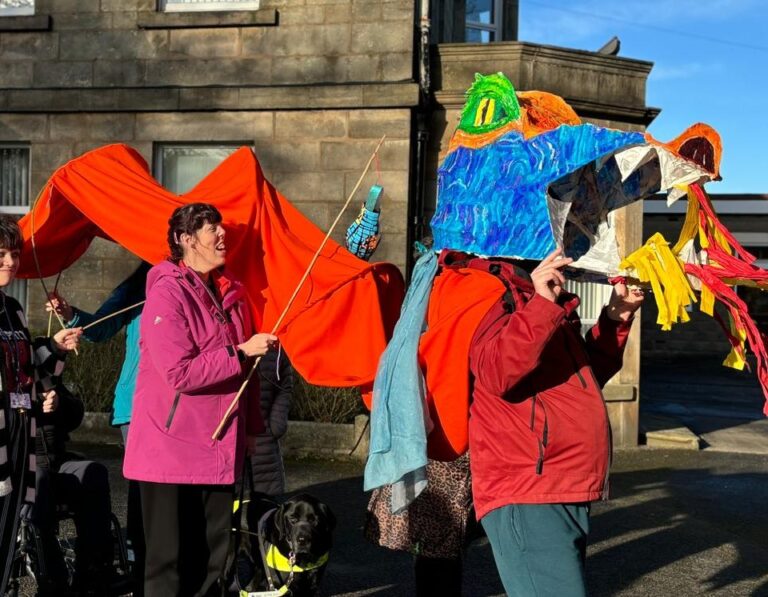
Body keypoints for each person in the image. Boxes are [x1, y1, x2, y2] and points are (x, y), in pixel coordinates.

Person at [468, 249, 644, 596]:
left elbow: (581, 376)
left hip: (563, 480)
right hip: (529, 485)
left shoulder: (535, 293)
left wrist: (616, 315)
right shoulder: (487, 288)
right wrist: (542, 306)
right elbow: (496, 373)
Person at [122, 203, 277, 597]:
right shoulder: (167, 291)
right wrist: (240, 352)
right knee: (166, 565)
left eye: (221, 228)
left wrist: (253, 429)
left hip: (219, 446)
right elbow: (179, 371)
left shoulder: (233, 293)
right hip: (168, 453)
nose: (222, 236)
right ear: (185, 240)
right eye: (212, 230)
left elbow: (249, 375)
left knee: (213, 562)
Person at [46, 260, 150, 594]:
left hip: (185, 406)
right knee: (144, 489)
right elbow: (102, 327)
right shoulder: (140, 284)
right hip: (138, 405)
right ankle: (138, 561)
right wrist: (71, 313)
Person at [0, 215, 82, 595]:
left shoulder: (13, 308)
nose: (10, 263)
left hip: (20, 431)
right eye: (1, 255)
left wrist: (56, 347)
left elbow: (28, 365)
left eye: (14, 254)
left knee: (12, 525)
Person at [31, 384, 131, 596]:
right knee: (39, 481)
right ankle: (53, 576)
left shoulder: (44, 375)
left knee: (93, 473)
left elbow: (76, 413)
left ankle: (94, 571)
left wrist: (59, 403)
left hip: (55, 463)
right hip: (19, 470)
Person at [250, 347, 292, 497]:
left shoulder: (273, 347)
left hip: (265, 439)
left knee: (266, 506)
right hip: (228, 442)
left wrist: (276, 423)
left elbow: (285, 384)